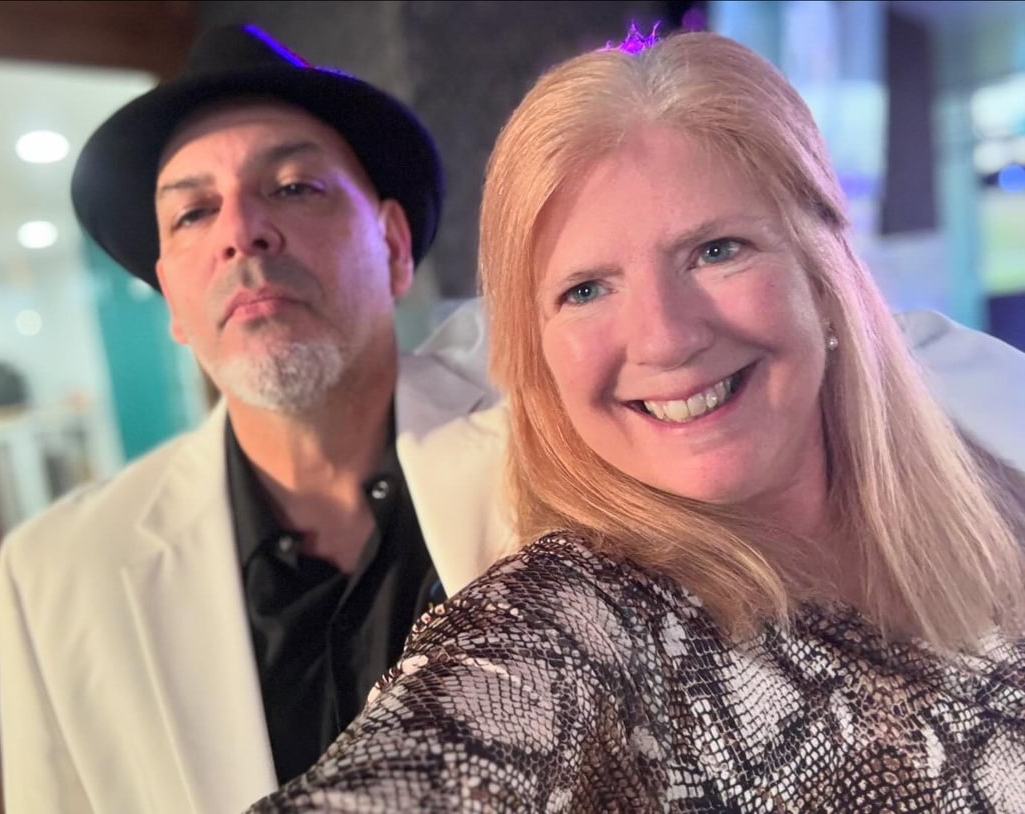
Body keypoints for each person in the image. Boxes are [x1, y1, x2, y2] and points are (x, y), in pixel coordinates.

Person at [247, 28, 1025, 812]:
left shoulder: (994, 475)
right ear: (539, 356)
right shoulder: (569, 623)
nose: (666, 338)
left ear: (823, 278)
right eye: (585, 290)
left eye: (717, 250)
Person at [0, 24, 514, 814]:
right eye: (194, 213)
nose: (241, 232)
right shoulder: (56, 580)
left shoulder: (545, 451)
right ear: (171, 298)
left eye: (295, 186)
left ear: (393, 245)